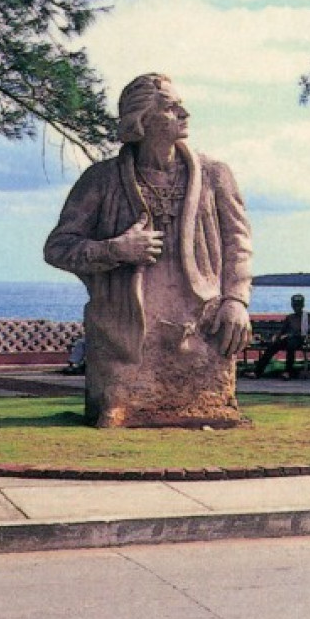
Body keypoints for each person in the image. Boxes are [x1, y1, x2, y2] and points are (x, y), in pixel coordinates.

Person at [44, 73, 253, 427]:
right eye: (171, 107)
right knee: (117, 409)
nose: (184, 113)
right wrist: (116, 249)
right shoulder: (101, 180)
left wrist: (236, 300)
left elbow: (238, 242)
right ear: (143, 120)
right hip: (124, 333)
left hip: (200, 325)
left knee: (210, 403)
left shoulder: (215, 175)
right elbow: (58, 248)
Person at [252, 294, 310, 380]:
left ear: (302, 305)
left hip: (299, 340)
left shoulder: (307, 316)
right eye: (295, 305)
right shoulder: (290, 317)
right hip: (288, 339)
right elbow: (282, 331)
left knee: (291, 346)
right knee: (272, 347)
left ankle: (288, 372)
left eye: (298, 305)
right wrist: (277, 338)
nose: (296, 307)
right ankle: (257, 372)